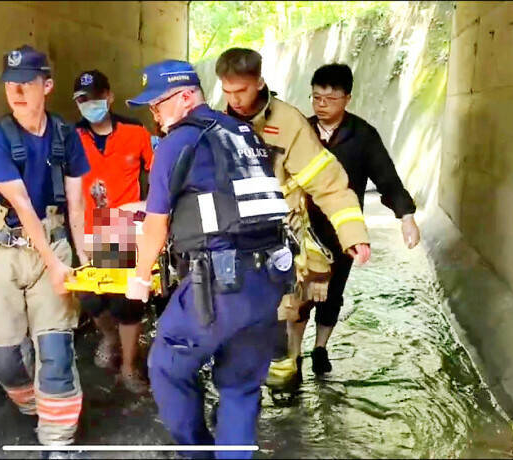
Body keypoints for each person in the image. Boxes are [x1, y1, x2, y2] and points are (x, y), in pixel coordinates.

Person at [124, 59, 301, 459]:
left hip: (219, 285)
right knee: (240, 387)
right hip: (269, 280)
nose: (155, 113)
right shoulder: (242, 131)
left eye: (159, 103)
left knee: (167, 367)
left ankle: (197, 453)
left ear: (186, 97)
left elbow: (155, 224)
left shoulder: (177, 142)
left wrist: (139, 277)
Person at [215, 48, 371, 387]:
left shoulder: (289, 123)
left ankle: (286, 390)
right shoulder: (217, 122)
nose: (234, 100)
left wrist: (353, 233)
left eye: (240, 91)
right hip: (232, 240)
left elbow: (328, 184)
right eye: (227, 92)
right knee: (233, 321)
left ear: (259, 83)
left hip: (278, 240)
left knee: (283, 319)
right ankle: (241, 401)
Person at [0, 44, 90, 455]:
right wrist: (55, 265)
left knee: (55, 350)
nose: (17, 91)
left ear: (47, 86)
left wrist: (86, 257)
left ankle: (57, 440)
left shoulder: (67, 136)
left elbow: (76, 203)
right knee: (5, 358)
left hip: (53, 243)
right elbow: (22, 206)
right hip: (3, 252)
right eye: (10, 83)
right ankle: (30, 404)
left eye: (26, 83)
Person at [294, 62, 420, 374]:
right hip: (302, 231)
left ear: (347, 98)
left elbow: (387, 179)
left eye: (329, 99)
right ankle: (293, 355)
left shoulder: (363, 136)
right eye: (316, 98)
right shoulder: (301, 131)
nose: (321, 105)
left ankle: (320, 349)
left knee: (332, 295)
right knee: (298, 297)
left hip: (342, 233)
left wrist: (406, 217)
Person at [71, 69, 154, 394]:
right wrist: (79, 243)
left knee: (126, 303)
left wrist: (149, 214)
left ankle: (129, 366)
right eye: (82, 100)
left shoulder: (135, 132)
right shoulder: (70, 136)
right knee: (91, 299)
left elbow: (156, 174)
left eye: (95, 98)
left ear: (109, 96)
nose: (90, 104)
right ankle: (109, 337)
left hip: (120, 225)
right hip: (84, 224)